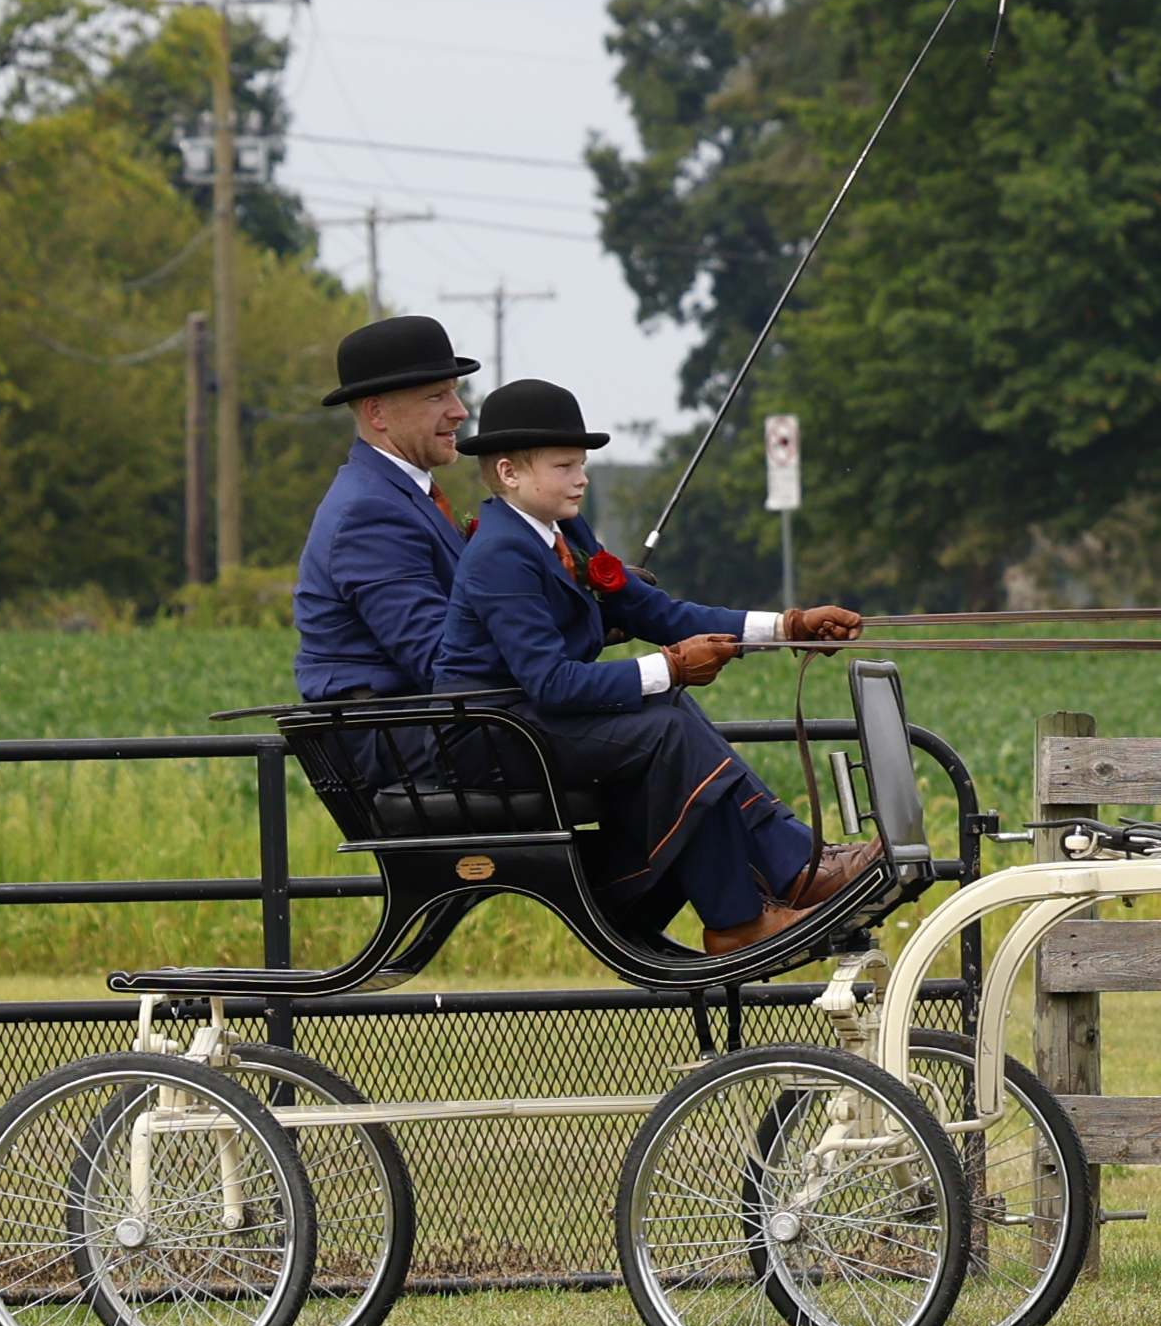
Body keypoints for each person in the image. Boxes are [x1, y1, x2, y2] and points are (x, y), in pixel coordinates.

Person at [432, 377, 876, 954]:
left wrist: (786, 627)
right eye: (565, 466)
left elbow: (655, 611)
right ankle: (740, 917)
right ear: (509, 473)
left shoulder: (565, 531)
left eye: (582, 464)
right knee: (667, 730)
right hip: (493, 734)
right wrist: (670, 666)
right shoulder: (499, 552)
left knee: (671, 709)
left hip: (534, 720)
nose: (582, 478)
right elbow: (550, 682)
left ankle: (790, 866)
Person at [295, 314, 480, 704]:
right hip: (400, 729)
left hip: (438, 719)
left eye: (454, 392)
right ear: (376, 413)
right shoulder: (370, 512)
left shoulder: (399, 495)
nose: (460, 411)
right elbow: (445, 663)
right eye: (437, 397)